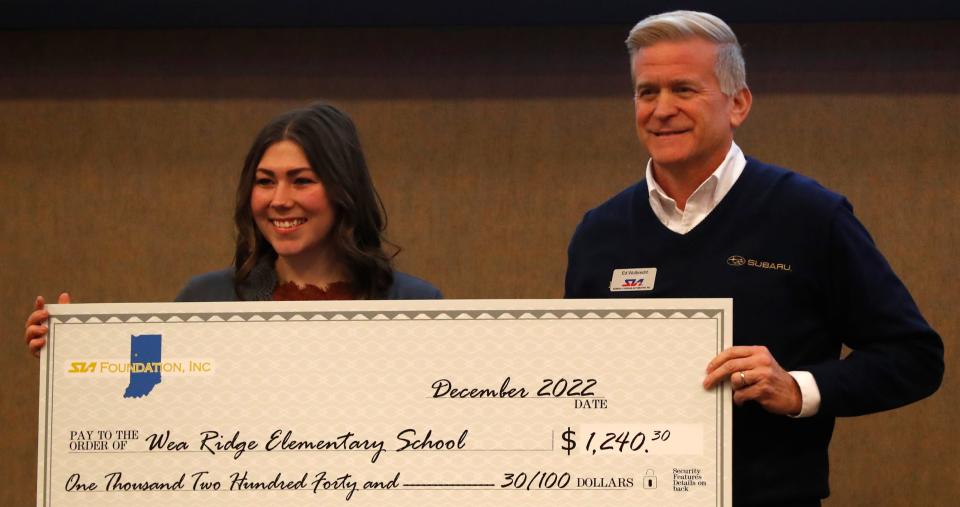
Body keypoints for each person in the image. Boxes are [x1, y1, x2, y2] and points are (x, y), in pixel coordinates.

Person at [563, 10, 943, 507]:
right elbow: (576, 383)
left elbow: (914, 358)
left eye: (683, 89)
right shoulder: (600, 232)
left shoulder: (809, 215)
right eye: (646, 92)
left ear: (738, 103)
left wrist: (797, 388)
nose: (661, 109)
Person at [26, 102, 440, 356]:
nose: (278, 199)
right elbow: (146, 396)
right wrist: (69, 354)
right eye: (264, 181)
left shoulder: (416, 306)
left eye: (301, 180)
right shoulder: (203, 301)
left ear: (342, 191)